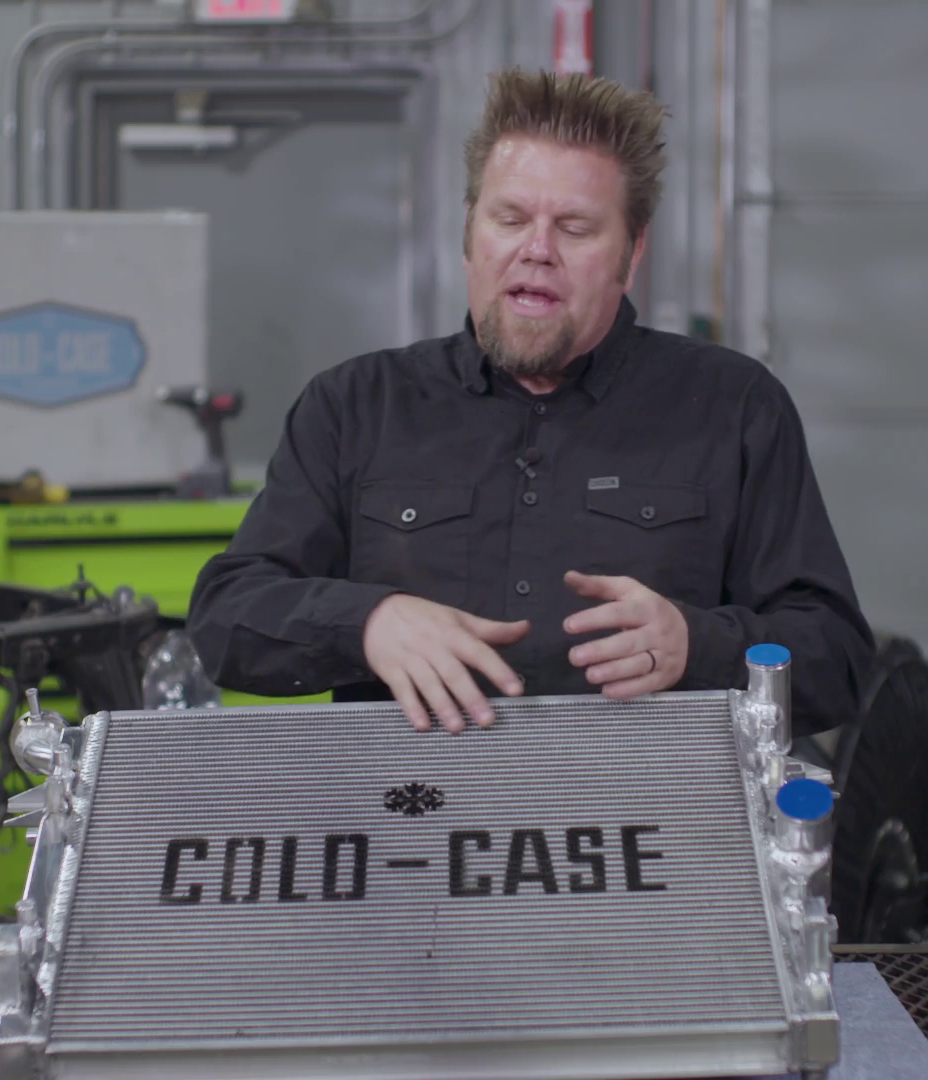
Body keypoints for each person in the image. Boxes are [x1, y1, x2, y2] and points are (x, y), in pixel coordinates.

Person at [188, 68, 872, 734]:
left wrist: (698, 645)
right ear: (470, 232)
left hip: (647, 806)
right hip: (412, 804)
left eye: (575, 228)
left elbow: (836, 662)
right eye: (510, 218)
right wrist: (367, 622)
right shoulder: (353, 407)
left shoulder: (734, 406)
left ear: (631, 253)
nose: (537, 250)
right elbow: (225, 620)